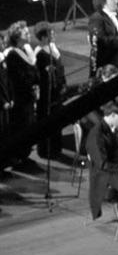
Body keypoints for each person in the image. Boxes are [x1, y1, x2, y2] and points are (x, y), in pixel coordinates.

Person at [86, 103, 118, 222]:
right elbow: (102, 164)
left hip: (112, 168)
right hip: (103, 174)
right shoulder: (96, 135)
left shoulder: (108, 129)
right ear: (112, 115)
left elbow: (117, 150)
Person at [3, 22, 38, 161]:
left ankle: (24, 153)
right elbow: (18, 77)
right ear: (17, 37)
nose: (29, 35)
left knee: (28, 125)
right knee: (21, 126)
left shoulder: (24, 50)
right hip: (19, 98)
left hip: (27, 96)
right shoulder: (12, 54)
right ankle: (19, 155)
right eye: (25, 33)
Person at [33, 22, 67, 158]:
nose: (53, 35)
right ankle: (46, 150)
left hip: (56, 90)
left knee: (57, 120)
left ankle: (56, 147)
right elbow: (38, 77)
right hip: (47, 94)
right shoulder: (40, 54)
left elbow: (60, 68)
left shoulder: (52, 48)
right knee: (47, 121)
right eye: (50, 34)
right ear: (43, 37)